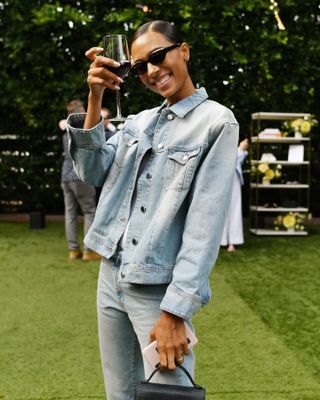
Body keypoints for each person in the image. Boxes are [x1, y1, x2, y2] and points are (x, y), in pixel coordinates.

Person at [66, 20, 239, 400]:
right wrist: (95, 97)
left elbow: (204, 226)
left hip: (157, 290)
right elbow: (91, 170)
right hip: (110, 277)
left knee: (168, 395)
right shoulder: (139, 122)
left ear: (184, 51)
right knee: (119, 394)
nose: (151, 71)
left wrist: (176, 311)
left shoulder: (216, 122)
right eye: (140, 66)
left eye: (158, 56)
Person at [59, 99, 101, 261]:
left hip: (65, 177)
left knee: (70, 213)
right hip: (80, 176)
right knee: (89, 211)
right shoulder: (82, 131)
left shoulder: (66, 132)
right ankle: (89, 250)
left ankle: (73, 249)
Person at [221, 138, 249, 252]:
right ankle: (220, 240)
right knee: (219, 210)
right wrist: (240, 150)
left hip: (233, 178)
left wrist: (241, 150)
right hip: (219, 178)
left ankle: (232, 241)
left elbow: (235, 161)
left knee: (234, 208)